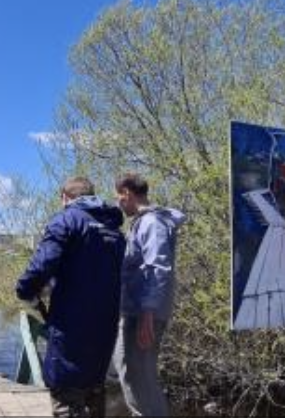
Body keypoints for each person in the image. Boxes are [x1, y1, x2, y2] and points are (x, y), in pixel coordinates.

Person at [16, 176, 126, 417]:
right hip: (105, 327)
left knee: (65, 393)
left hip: (71, 326)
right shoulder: (114, 230)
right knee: (94, 391)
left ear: (65, 197)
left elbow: (41, 266)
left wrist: (25, 291)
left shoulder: (67, 220)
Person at [113, 173, 186, 417]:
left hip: (144, 313)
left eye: (117, 197)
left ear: (126, 193)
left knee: (141, 378)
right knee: (128, 369)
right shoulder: (142, 223)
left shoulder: (152, 223)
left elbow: (158, 268)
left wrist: (148, 312)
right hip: (136, 310)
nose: (117, 204)